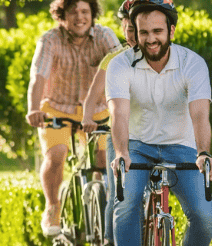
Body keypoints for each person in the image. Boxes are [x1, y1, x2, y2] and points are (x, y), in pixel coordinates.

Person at [105, 1, 212, 245]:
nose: (151, 39)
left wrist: (204, 153)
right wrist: (122, 152)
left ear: (171, 31)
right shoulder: (120, 65)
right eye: (144, 32)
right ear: (135, 32)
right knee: (125, 208)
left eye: (157, 31)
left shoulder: (192, 63)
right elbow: (119, 114)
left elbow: (199, 113)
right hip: (136, 146)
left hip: (181, 146)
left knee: (204, 216)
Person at [26, 0, 121, 236]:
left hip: (96, 110)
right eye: (73, 12)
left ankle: (101, 205)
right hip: (58, 109)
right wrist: (33, 109)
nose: (80, 17)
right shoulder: (50, 40)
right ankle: (53, 206)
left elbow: (121, 64)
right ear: (62, 15)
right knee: (56, 155)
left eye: (85, 11)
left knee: (102, 159)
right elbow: (38, 77)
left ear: (92, 14)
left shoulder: (104, 35)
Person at [81, 0, 137, 244]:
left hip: (152, 134)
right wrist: (87, 118)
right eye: (130, 28)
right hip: (121, 134)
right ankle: (109, 240)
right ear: (123, 28)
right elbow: (92, 97)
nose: (135, 34)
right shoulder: (114, 58)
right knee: (118, 193)